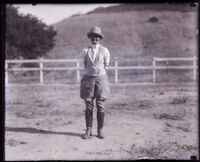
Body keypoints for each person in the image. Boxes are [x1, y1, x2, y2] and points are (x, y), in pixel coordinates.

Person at [80, 26, 110, 139]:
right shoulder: (85, 51)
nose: (95, 39)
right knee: (88, 105)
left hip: (101, 79)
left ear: (100, 38)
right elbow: (84, 64)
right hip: (88, 79)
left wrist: (99, 74)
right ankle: (88, 130)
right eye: (93, 37)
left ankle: (100, 130)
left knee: (100, 105)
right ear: (90, 37)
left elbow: (106, 65)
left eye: (97, 37)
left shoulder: (105, 50)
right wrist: (90, 74)